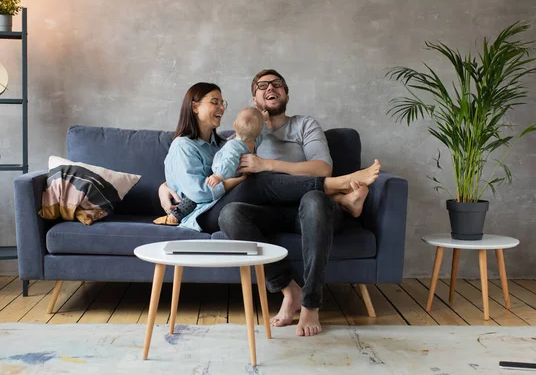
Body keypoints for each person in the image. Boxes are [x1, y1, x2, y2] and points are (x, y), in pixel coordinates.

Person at [159, 69, 380, 337]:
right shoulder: (242, 138)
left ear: (286, 93)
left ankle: (311, 304)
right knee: (231, 213)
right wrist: (164, 186)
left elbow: (323, 167)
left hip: (309, 208)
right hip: (266, 210)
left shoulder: (304, 125)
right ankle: (340, 199)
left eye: (276, 84)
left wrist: (267, 164)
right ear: (255, 99)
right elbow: (210, 174)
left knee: (311, 199)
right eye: (261, 86)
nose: (269, 88)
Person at [154, 106, 268, 227]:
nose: (222, 107)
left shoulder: (230, 144)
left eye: (222, 102)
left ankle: (174, 216)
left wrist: (219, 176)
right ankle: (174, 216)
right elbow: (196, 188)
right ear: (195, 107)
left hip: (222, 183)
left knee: (192, 198)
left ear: (234, 125)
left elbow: (228, 163)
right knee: (194, 196)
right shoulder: (248, 142)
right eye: (214, 102)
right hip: (218, 187)